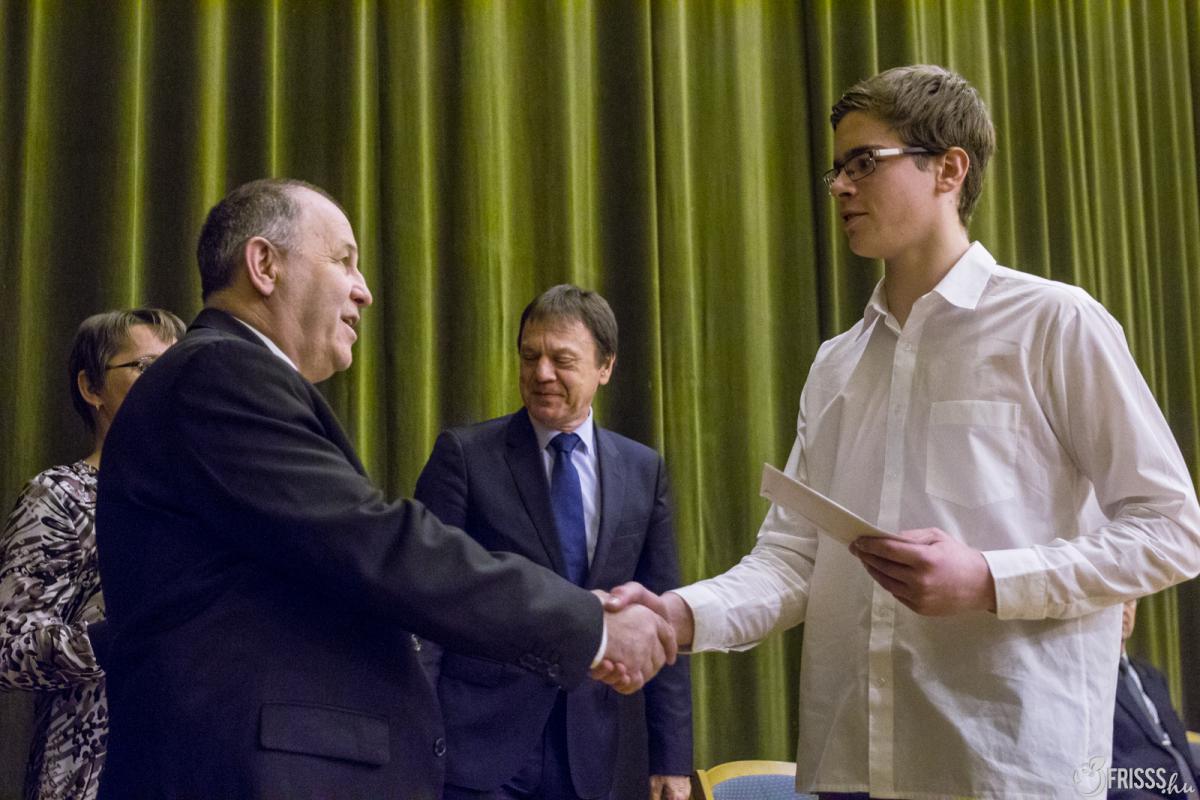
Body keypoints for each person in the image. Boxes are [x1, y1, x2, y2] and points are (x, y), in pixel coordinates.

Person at [602, 65, 1200, 797]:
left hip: (1006, 769)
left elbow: (1172, 530)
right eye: (837, 169)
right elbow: (793, 561)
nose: (840, 187)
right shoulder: (837, 363)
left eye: (864, 162)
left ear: (949, 169)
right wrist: (676, 616)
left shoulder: (1054, 323)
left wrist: (988, 579)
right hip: (854, 765)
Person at [92, 179, 675, 800]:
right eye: (343, 260)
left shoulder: (226, 375)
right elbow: (377, 544)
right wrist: (587, 624)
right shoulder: (220, 372)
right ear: (264, 265)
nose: (364, 290)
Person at [414, 284, 692, 800]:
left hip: (593, 746)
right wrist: (418, 738)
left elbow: (661, 614)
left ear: (605, 367)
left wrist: (671, 757)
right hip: (480, 744)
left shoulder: (642, 469)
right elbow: (425, 602)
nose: (541, 373)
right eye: (530, 356)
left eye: (562, 360)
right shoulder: (466, 457)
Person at [0, 308, 184, 800]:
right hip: (90, 775)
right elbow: (8, 647)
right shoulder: (60, 495)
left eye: (176, 367)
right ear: (91, 387)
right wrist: (115, 635)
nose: (166, 382)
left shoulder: (202, 500)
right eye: (145, 367)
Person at [1110, 599, 1199, 799]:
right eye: (1117, 603)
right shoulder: (1093, 685)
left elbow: (1180, 749)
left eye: (1130, 602)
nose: (1124, 611)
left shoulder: (1152, 676)